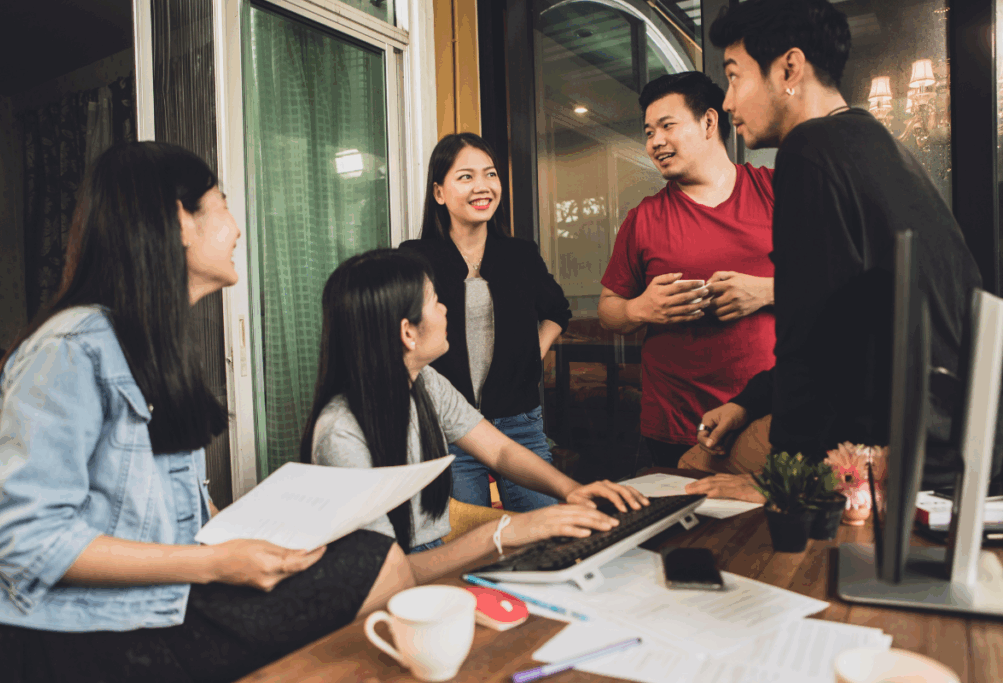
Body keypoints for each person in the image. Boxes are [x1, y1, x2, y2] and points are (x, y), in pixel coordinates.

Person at [0, 141, 417, 683]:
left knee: (369, 555)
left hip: (157, 604)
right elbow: (21, 538)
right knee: (379, 564)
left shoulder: (147, 344)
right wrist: (213, 564)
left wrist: (249, 540)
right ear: (180, 221)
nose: (236, 230)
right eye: (223, 204)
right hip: (71, 633)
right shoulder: (70, 348)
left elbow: (166, 509)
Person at [684, 0, 990, 503]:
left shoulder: (809, 150)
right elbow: (839, 324)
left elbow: (807, 342)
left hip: (893, 462)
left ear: (789, 69)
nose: (730, 102)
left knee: (692, 469)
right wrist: (749, 402)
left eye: (735, 77)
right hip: (952, 446)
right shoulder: (875, 143)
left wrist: (781, 483)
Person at [303, 248, 649, 583]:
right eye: (434, 301)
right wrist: (500, 533)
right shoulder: (341, 435)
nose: (445, 309)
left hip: (435, 553)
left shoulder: (423, 381)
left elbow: (499, 450)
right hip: (400, 585)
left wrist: (572, 490)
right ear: (408, 332)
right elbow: (386, 577)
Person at [597, 71, 776, 468]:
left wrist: (766, 292)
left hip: (770, 417)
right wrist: (640, 309)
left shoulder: (775, 191)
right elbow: (609, 307)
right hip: (676, 424)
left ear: (709, 122)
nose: (655, 142)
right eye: (648, 132)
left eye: (667, 126)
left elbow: (834, 283)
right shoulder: (643, 218)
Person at [399, 133, 571, 511]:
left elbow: (558, 311)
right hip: (449, 428)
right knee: (469, 534)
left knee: (546, 527)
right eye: (466, 177)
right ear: (439, 193)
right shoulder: (415, 258)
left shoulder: (520, 254)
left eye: (490, 174)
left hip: (520, 422)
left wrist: (533, 355)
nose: (483, 186)